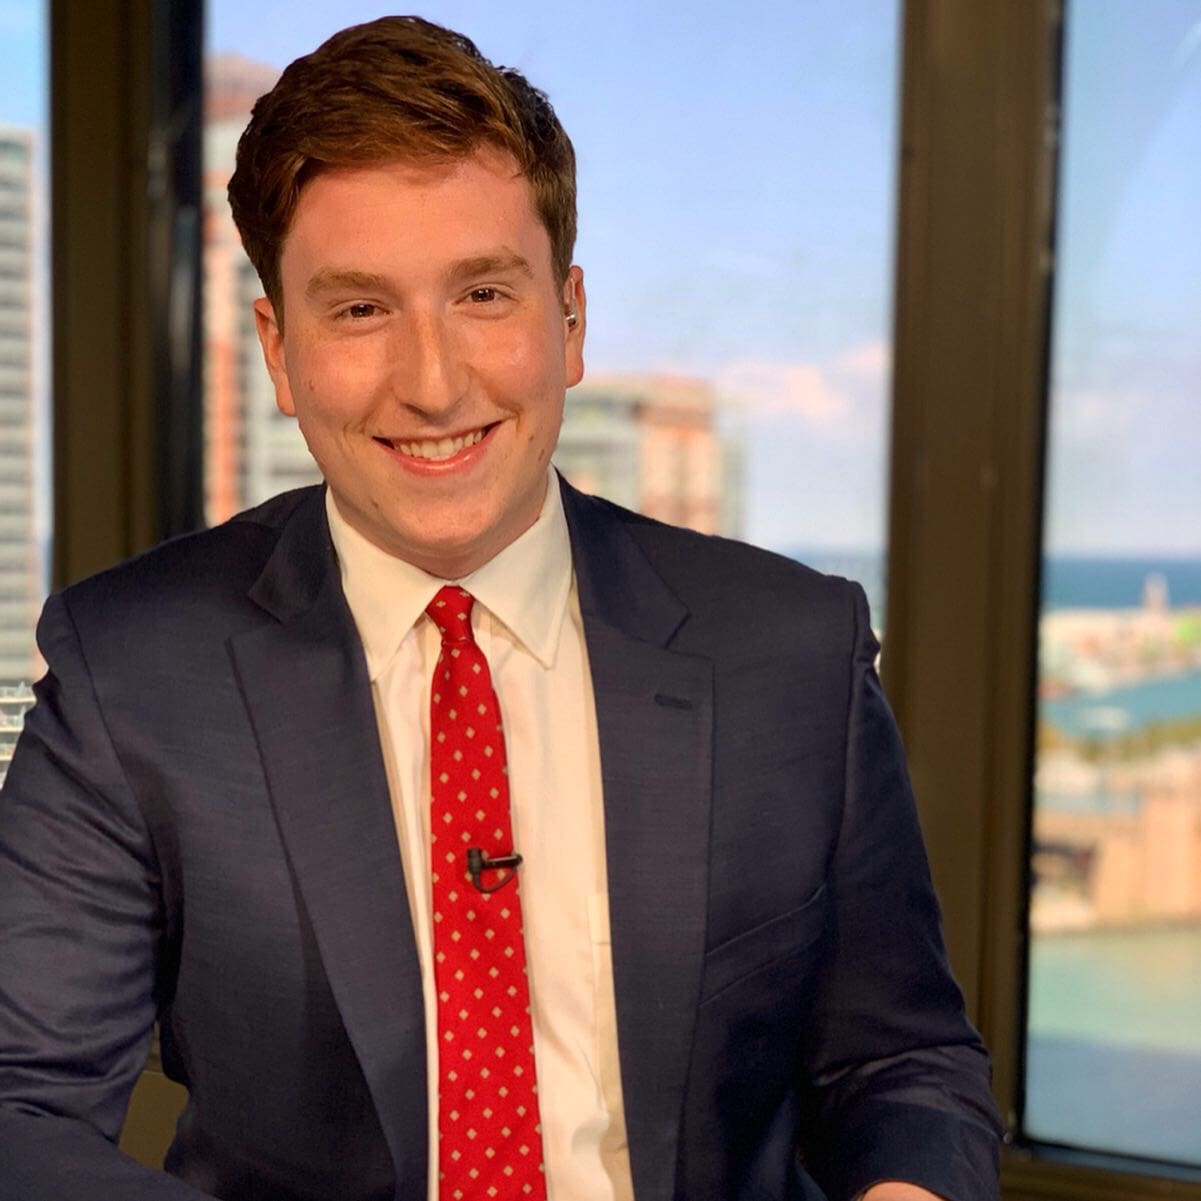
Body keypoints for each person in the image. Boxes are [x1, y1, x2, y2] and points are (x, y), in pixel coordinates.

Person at [0, 16, 1002, 1201]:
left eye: (482, 293)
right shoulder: (133, 672)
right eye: (360, 309)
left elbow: (901, 1062)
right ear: (277, 348)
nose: (432, 383)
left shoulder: (792, 651)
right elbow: (19, 1102)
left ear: (568, 319)